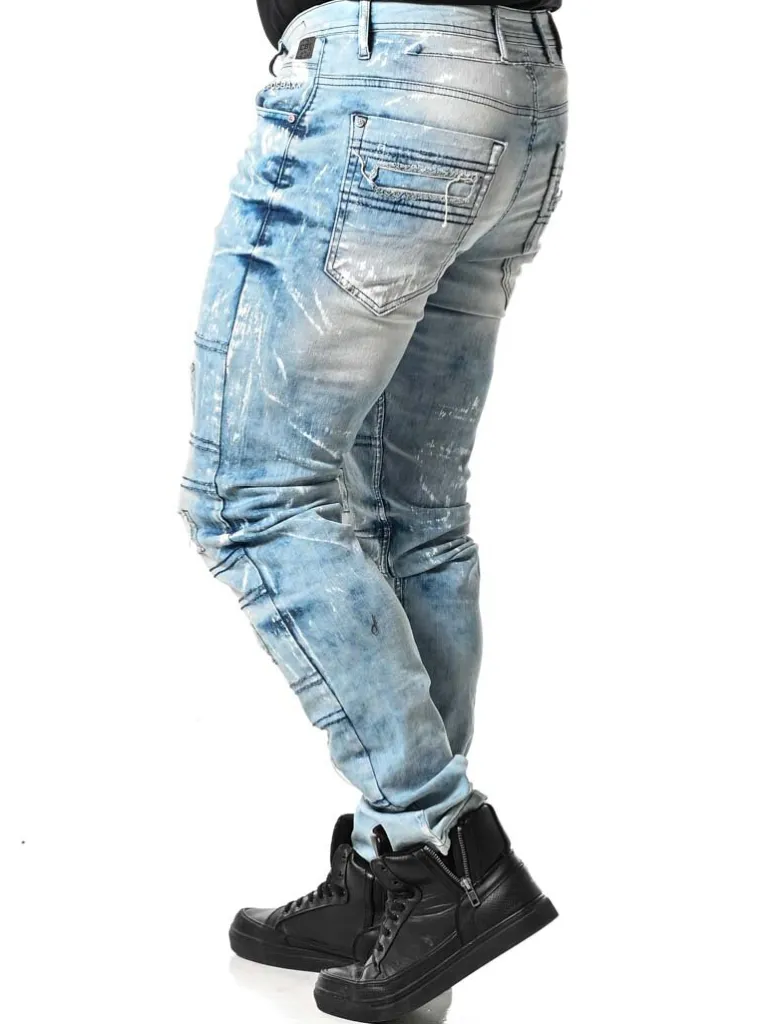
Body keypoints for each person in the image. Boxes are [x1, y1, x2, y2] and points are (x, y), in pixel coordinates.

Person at [177, 2, 566, 1018]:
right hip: (516, 87)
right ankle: (397, 866)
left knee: (249, 495)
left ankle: (444, 848)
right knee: (412, 515)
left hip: (385, 77)